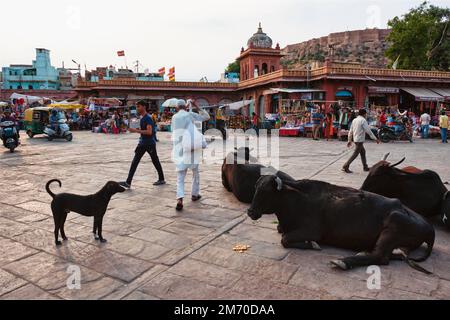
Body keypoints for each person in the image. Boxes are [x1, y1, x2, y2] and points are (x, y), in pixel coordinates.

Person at [172, 99, 210, 211]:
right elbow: (206, 116)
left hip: (180, 149)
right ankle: (194, 194)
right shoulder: (190, 115)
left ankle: (180, 199)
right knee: (195, 173)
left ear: (177, 108)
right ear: (185, 106)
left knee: (180, 177)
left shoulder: (174, 117)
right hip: (192, 148)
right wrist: (196, 106)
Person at [120, 101, 165, 189]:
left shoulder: (148, 118)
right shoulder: (142, 117)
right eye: (136, 106)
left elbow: (149, 132)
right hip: (143, 143)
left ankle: (161, 178)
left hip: (149, 143)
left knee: (154, 161)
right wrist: (137, 129)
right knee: (135, 162)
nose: (137, 108)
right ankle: (128, 182)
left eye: (138, 106)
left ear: (144, 107)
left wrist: (136, 131)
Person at [342, 109, 380, 174]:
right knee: (355, 154)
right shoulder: (363, 120)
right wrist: (375, 138)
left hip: (356, 139)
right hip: (360, 140)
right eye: (366, 114)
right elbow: (368, 131)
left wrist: (349, 140)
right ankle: (345, 166)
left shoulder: (355, 120)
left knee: (363, 152)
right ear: (364, 114)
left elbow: (351, 131)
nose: (366, 115)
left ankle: (365, 167)